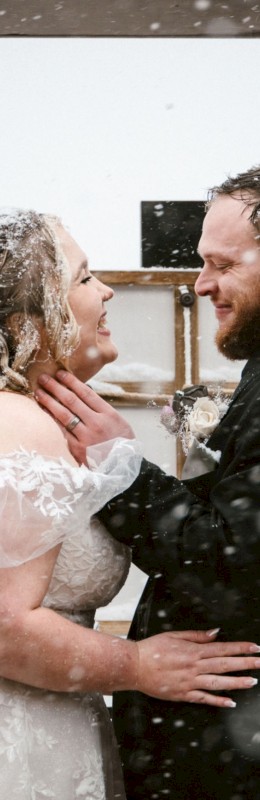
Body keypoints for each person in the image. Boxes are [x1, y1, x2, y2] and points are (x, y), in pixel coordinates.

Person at [1, 208, 258, 800]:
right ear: (29, 321)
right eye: (85, 277)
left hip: (63, 718)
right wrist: (135, 666)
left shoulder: (50, 422)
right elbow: (4, 625)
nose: (108, 289)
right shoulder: (17, 423)